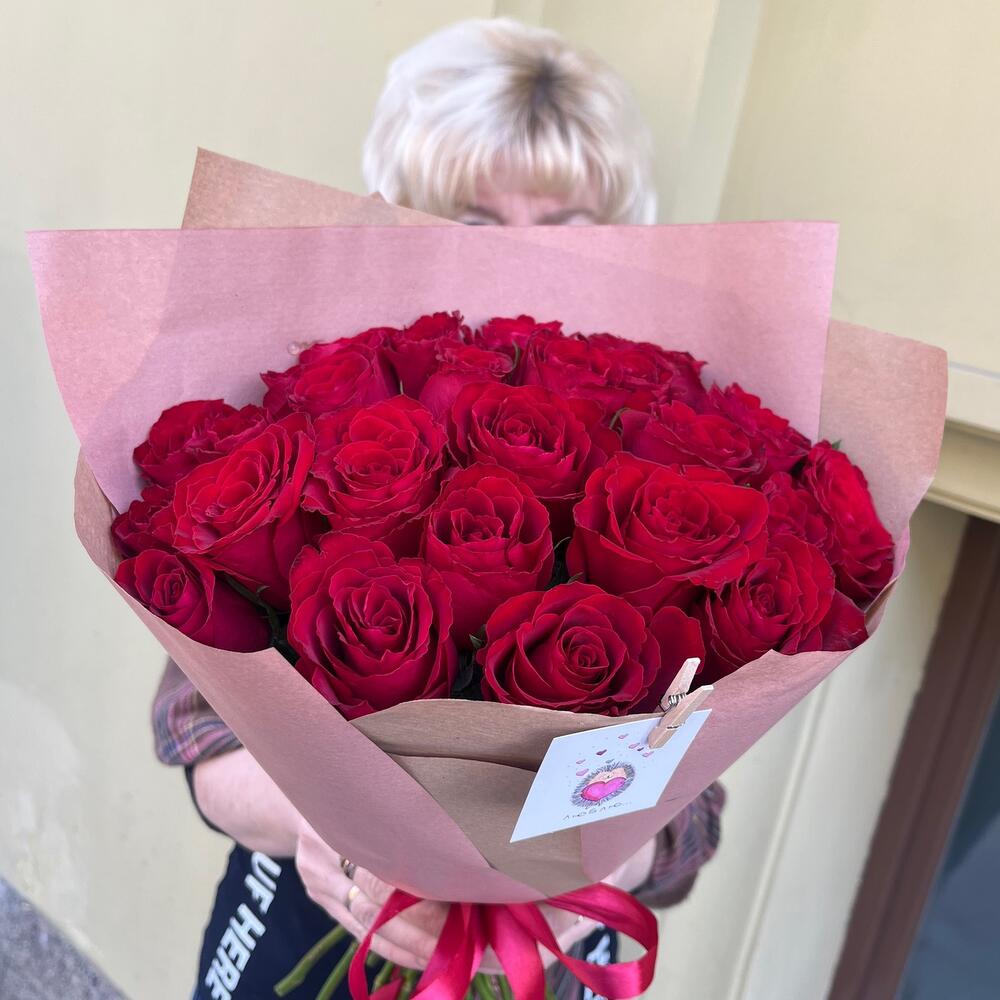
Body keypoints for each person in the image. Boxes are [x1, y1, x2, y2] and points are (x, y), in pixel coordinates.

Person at [157, 18, 725, 1000]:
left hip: (548, 952)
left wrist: (603, 855)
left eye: (567, 227)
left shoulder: (669, 460)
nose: (522, 256)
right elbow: (197, 735)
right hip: (317, 939)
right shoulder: (305, 421)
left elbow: (695, 802)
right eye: (474, 222)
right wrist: (321, 824)